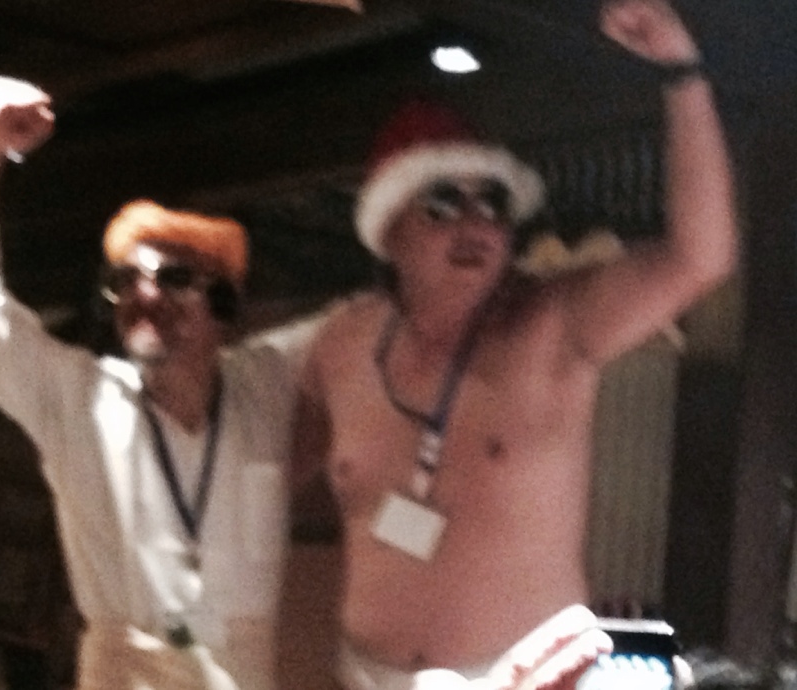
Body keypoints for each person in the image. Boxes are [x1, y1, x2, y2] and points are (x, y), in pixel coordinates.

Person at [290, 0, 738, 687]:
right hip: (365, 674)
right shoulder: (339, 344)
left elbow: (700, 256)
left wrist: (683, 71)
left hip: (523, 677)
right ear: (389, 229)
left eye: (493, 203)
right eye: (444, 202)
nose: (475, 222)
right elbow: (258, 454)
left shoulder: (554, 323)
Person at [0, 75, 325, 690]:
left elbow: (374, 324)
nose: (145, 294)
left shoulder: (267, 382)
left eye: (174, 278)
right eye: (125, 281)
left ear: (224, 303)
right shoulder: (76, 397)